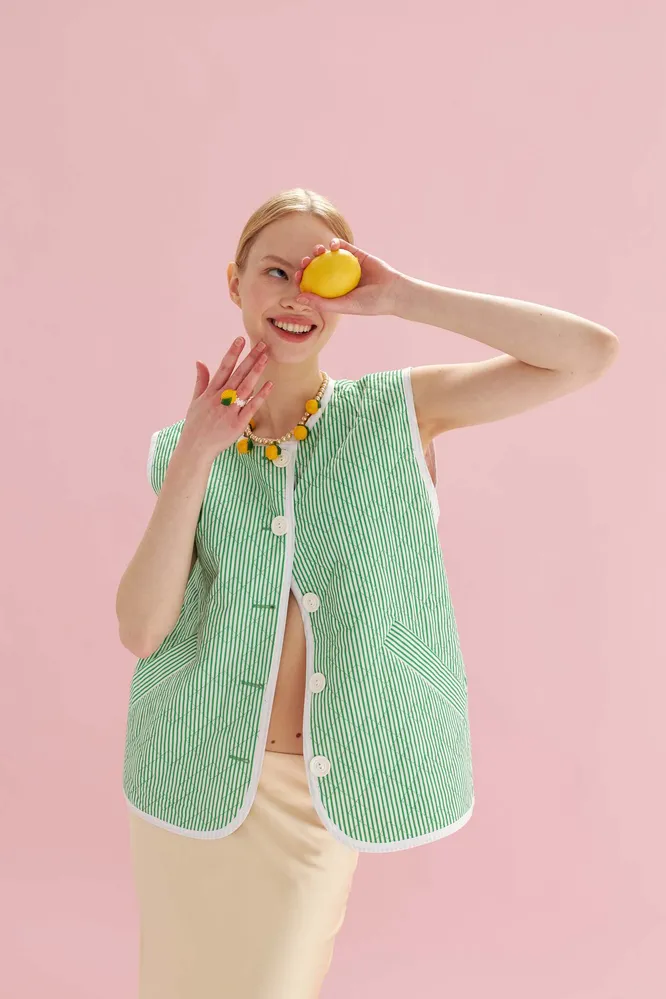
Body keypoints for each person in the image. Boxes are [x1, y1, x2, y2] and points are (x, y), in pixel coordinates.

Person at [116, 188, 619, 999]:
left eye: (318, 273)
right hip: (190, 771)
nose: (296, 294)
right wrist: (197, 454)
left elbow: (587, 355)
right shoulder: (185, 447)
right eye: (275, 271)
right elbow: (142, 629)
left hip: (318, 796)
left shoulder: (395, 413)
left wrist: (403, 297)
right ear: (235, 282)